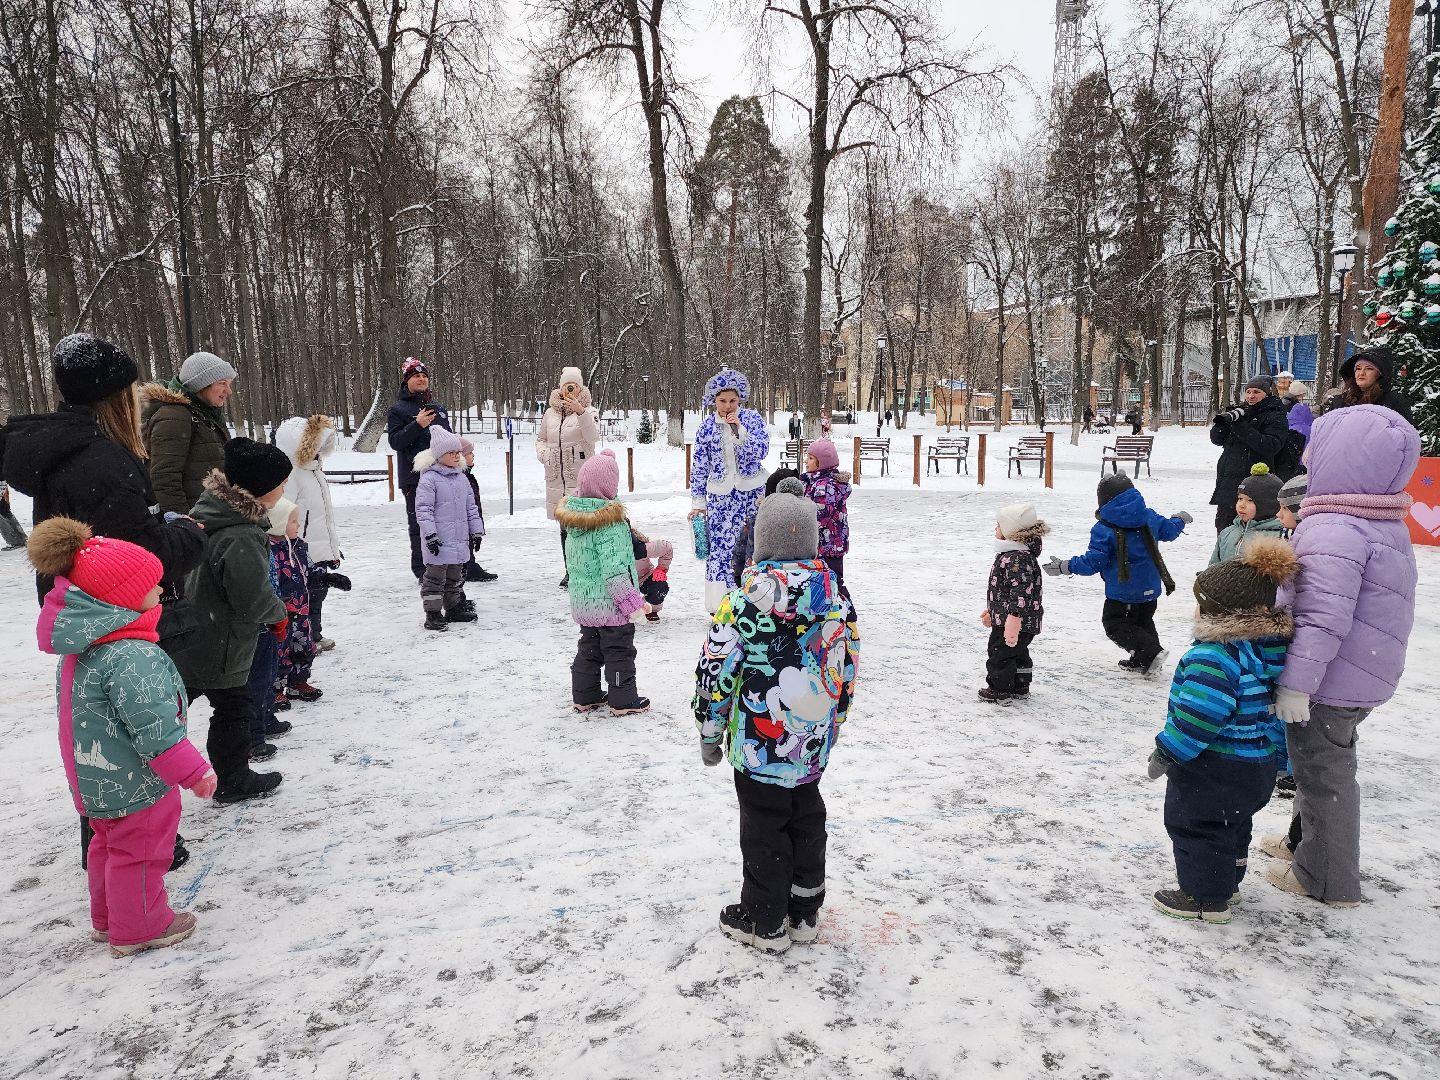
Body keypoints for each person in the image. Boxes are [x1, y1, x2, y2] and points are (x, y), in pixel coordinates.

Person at [0, 334, 205, 869]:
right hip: (116, 609)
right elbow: (135, 551)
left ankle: (107, 840)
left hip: (83, 609)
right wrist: (188, 534)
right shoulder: (98, 461)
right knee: (137, 721)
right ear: (114, 395)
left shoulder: (68, 448)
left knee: (98, 723)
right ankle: (132, 844)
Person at [28, 518, 217, 955]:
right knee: (143, 851)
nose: (162, 590)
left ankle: (110, 918)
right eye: (152, 585)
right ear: (121, 600)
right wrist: (193, 772)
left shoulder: (85, 648)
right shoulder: (133, 655)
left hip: (95, 775)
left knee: (107, 845)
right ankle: (143, 926)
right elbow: (155, 727)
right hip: (136, 779)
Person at [1261, 405, 1419, 908]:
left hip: (1327, 679)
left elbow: (1320, 617)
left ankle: (1326, 878)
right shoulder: (1379, 519)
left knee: (1323, 775)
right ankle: (1302, 845)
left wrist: (1296, 684)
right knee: (1317, 767)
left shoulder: (1335, 528)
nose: (1307, 457)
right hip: (1361, 671)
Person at [693, 476, 860, 952]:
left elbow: (716, 670)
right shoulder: (836, 599)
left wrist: (710, 728)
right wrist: (835, 720)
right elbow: (847, 664)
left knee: (763, 827)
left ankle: (765, 919)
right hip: (809, 745)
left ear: (760, 543)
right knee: (807, 817)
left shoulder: (741, 604)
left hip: (757, 745)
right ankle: (804, 912)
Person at [1146, 536, 1298, 924]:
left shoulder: (1210, 658)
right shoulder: (1261, 652)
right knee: (1232, 826)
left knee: (1197, 825)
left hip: (1216, 764)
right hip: (1256, 763)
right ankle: (1226, 884)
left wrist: (1168, 752)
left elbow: (1199, 718)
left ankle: (1202, 898)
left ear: (1216, 614)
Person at [174, 437, 291, 805]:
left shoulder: (213, 514)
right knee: (234, 707)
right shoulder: (241, 533)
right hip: (221, 639)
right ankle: (233, 778)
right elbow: (251, 597)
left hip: (198, 632)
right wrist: (278, 613)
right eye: (280, 484)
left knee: (179, 705)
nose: (284, 490)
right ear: (261, 489)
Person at [1044, 473, 1189, 677]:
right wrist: (1180, 519)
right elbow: (1169, 531)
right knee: (1143, 621)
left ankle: (1151, 653)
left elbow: (1094, 561)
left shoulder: (1104, 528)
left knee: (1115, 625)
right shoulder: (1149, 516)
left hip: (1123, 592)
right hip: (1150, 588)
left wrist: (1065, 567)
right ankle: (1144, 660)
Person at [557, 450, 650, 714]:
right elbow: (615, 572)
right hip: (612, 606)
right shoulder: (610, 524)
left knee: (589, 648)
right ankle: (623, 700)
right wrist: (633, 605)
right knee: (619, 650)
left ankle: (585, 696)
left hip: (585, 603)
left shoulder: (574, 522)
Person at [689, 368, 770, 613]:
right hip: (720, 498)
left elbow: (761, 452)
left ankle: (754, 599)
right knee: (721, 547)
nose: (727, 406)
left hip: (751, 494)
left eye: (732, 401)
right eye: (722, 401)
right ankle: (720, 604)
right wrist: (698, 503)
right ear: (713, 401)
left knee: (751, 545)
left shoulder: (752, 420)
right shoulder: (706, 428)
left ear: (740, 400)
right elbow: (700, 466)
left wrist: (740, 433)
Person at [276, 414, 344, 650]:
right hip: (300, 548)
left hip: (319, 548)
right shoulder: (292, 475)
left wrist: (333, 547)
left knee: (318, 594)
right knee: (300, 596)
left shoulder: (316, 471)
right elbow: (285, 511)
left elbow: (323, 516)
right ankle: (298, 639)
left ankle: (314, 633)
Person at [140, 351, 236, 515]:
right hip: (195, 521)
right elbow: (164, 478)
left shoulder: (208, 415)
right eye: (222, 383)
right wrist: (183, 522)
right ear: (201, 385)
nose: (228, 391)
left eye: (229, 384)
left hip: (211, 516)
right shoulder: (175, 417)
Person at [387, 357, 452, 580]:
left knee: (445, 522)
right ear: (407, 381)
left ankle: (447, 564)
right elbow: (395, 442)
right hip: (414, 478)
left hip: (444, 475)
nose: (421, 379)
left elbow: (448, 439)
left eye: (424, 376)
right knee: (419, 524)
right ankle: (422, 568)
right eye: (416, 376)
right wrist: (418, 425)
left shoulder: (439, 408)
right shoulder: (398, 409)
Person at [536, 366, 600, 589]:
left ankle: (587, 569)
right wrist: (545, 454)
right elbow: (541, 438)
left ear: (580, 387)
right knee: (564, 528)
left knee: (583, 527)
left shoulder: (589, 411)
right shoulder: (550, 413)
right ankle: (570, 570)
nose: (569, 388)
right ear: (561, 386)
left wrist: (580, 411)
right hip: (556, 478)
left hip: (580, 477)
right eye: (566, 385)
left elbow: (593, 437)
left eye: (573, 385)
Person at [413, 428, 483, 632]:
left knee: (455, 577)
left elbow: (471, 508)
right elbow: (423, 510)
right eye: (451, 452)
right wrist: (430, 535)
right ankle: (432, 613)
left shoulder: (461, 478)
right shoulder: (429, 479)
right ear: (439, 454)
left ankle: (453, 607)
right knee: (435, 578)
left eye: (458, 452)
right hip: (439, 541)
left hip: (459, 539)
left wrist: (476, 532)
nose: (456, 455)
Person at [979, 502, 1046, 705]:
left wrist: (1013, 619)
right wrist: (993, 611)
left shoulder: (1016, 558)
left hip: (1015, 620)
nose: (995, 529)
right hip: (1016, 617)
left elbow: (1020, 592)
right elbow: (1005, 590)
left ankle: (999, 690)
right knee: (1017, 651)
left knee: (1000, 652)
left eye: (999, 525)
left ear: (1011, 531)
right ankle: (1020, 684)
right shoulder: (1016, 555)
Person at [1208, 375, 1290, 533]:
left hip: (1257, 487)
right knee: (1225, 530)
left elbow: (1270, 446)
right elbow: (1217, 440)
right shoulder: (1240, 412)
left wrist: (1241, 426)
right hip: (1228, 486)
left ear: (1266, 394)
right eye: (1248, 391)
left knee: (1252, 532)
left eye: (1256, 392)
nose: (1251, 396)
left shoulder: (1275, 415)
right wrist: (1223, 424)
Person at [267, 499, 323, 703]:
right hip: (282, 610)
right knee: (280, 649)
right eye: (293, 521)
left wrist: (325, 577)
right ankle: (275, 688)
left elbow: (309, 569)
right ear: (278, 523)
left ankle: (298, 681)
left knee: (304, 644)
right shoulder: (269, 550)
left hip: (302, 609)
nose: (298, 525)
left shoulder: (299, 546)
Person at [731, 468, 799, 584]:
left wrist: (738, 574)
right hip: (789, 578)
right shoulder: (800, 518)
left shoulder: (758, 517)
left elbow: (740, 549)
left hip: (757, 578)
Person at [1210, 464, 1286, 565]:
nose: (1241, 505)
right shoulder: (1227, 533)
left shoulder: (1279, 537)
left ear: (1267, 505)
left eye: (1249, 500)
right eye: (1240, 499)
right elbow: (1213, 566)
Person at [1318, 347, 1415, 423]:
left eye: (1369, 369)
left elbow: (1407, 439)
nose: (1361, 373)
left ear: (1380, 374)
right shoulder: (1340, 401)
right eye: (1358, 368)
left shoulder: (1394, 403)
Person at [800, 438, 851, 585]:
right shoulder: (813, 482)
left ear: (822, 462)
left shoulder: (825, 486)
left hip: (829, 548)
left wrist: (800, 530)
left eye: (810, 458)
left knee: (832, 584)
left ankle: (846, 606)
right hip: (820, 546)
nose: (805, 461)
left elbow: (819, 517)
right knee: (820, 585)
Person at [458, 437, 498, 583]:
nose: (473, 455)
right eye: (470, 453)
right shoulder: (461, 479)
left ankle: (470, 565)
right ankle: (467, 567)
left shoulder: (467, 476)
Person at [630, 524, 672, 622]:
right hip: (621, 581)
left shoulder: (642, 548)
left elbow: (667, 548)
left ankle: (650, 608)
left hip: (644, 576)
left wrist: (661, 568)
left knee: (659, 587)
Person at [0, 479, 27, 550]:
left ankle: (15, 541)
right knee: (4, 511)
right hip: (2, 482)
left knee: (4, 512)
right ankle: (22, 538)